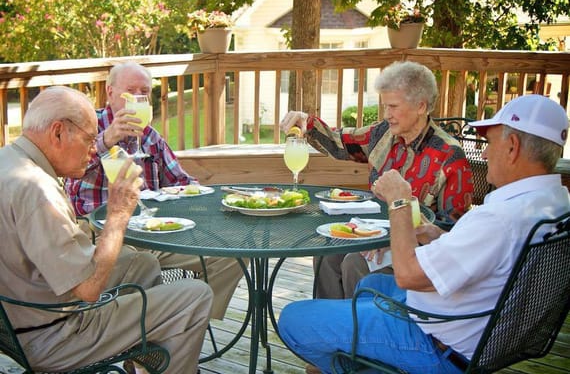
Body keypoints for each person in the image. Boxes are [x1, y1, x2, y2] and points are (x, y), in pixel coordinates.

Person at [278, 94, 570, 374]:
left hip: (436, 342)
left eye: (489, 142)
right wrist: (437, 234)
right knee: (370, 283)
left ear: (513, 147)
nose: (483, 152)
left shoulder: (500, 218)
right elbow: (488, 254)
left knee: (293, 318)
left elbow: (407, 275)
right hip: (479, 330)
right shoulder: (555, 203)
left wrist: (400, 202)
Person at [0, 86, 213, 373]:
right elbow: (88, 289)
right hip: (55, 335)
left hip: (17, 322)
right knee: (195, 296)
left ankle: (143, 364)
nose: (93, 150)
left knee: (141, 263)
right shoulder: (38, 190)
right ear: (58, 132)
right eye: (89, 139)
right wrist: (118, 214)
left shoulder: (9, 161)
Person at [280, 61, 474, 300]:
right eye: (385, 106)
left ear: (421, 106)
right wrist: (306, 122)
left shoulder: (449, 156)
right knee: (327, 253)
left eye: (393, 106)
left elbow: (454, 232)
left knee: (354, 263)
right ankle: (332, 329)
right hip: (371, 230)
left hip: (418, 255)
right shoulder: (383, 134)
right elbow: (342, 142)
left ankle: (363, 333)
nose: (386, 115)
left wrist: (394, 237)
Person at [64, 62, 243, 320]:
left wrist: (208, 194)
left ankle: (192, 325)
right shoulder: (87, 129)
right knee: (137, 264)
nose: (138, 98)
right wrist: (107, 140)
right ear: (110, 92)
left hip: (151, 232)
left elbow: (183, 182)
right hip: (100, 236)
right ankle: (144, 337)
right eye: (130, 91)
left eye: (144, 92)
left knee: (230, 255)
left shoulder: (150, 137)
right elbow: (70, 175)